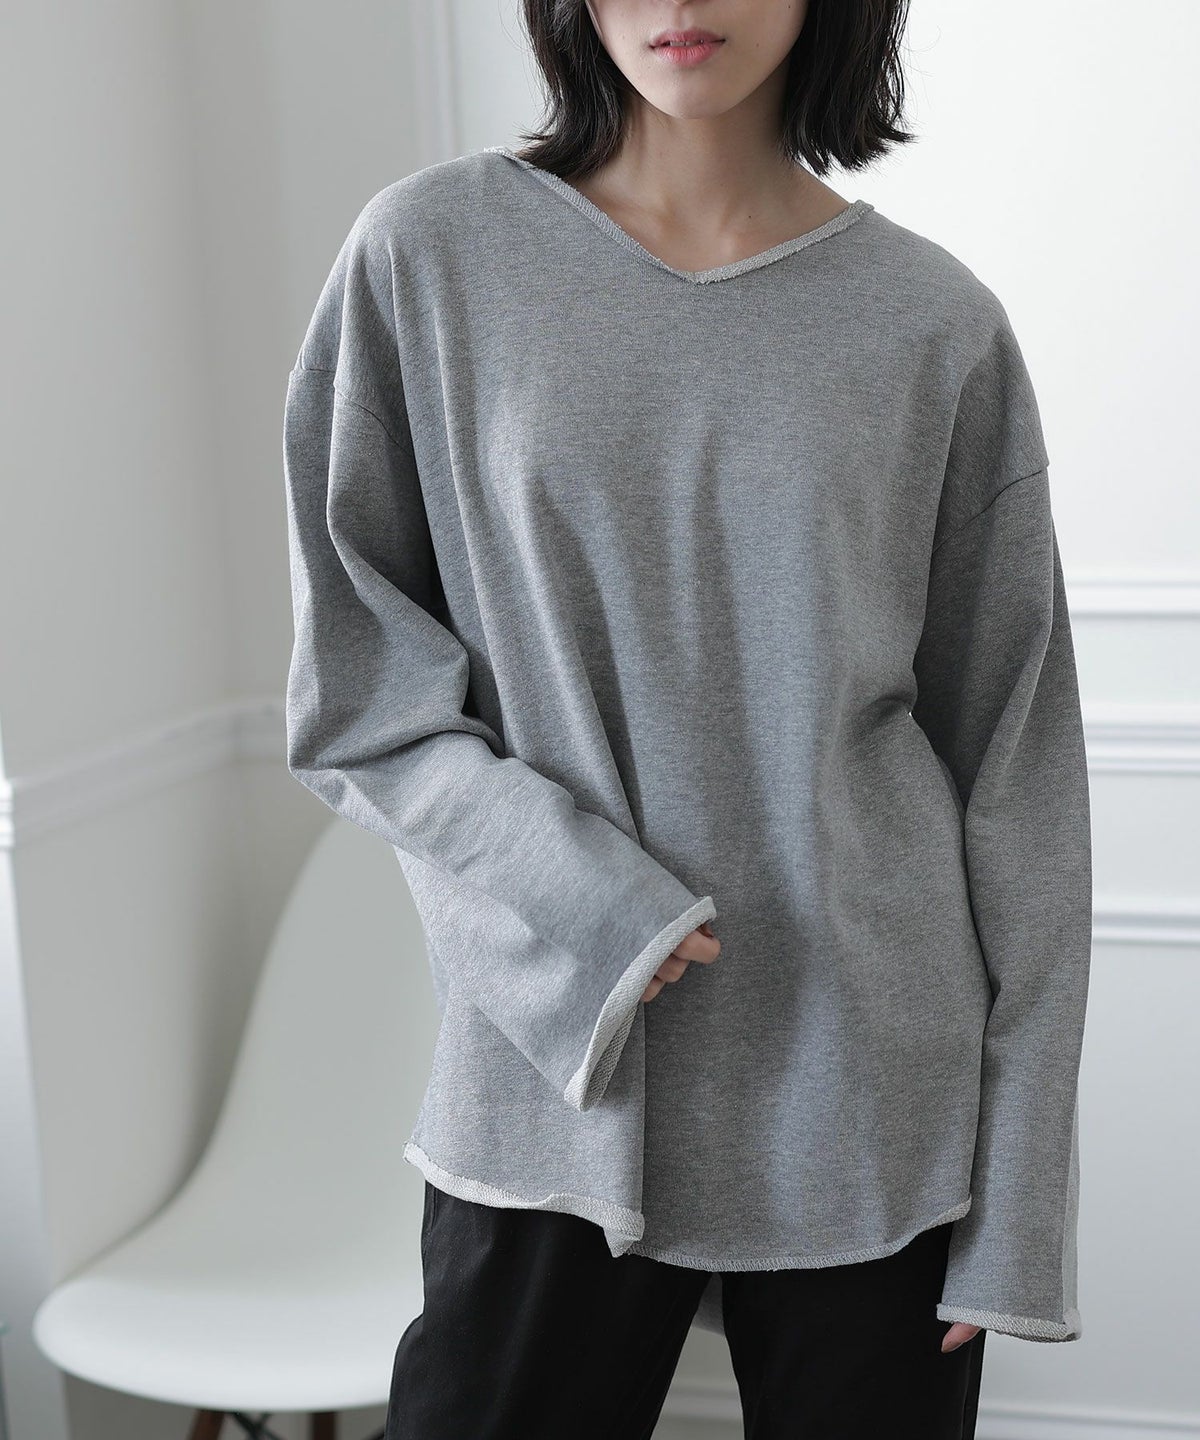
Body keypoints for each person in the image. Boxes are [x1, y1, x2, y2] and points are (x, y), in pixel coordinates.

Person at [281, 0, 1092, 1434]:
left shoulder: (935, 322)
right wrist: (591, 902)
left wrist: (1021, 1192)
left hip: (876, 1092)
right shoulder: (431, 255)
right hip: (559, 1067)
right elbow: (360, 697)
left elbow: (1017, 771)